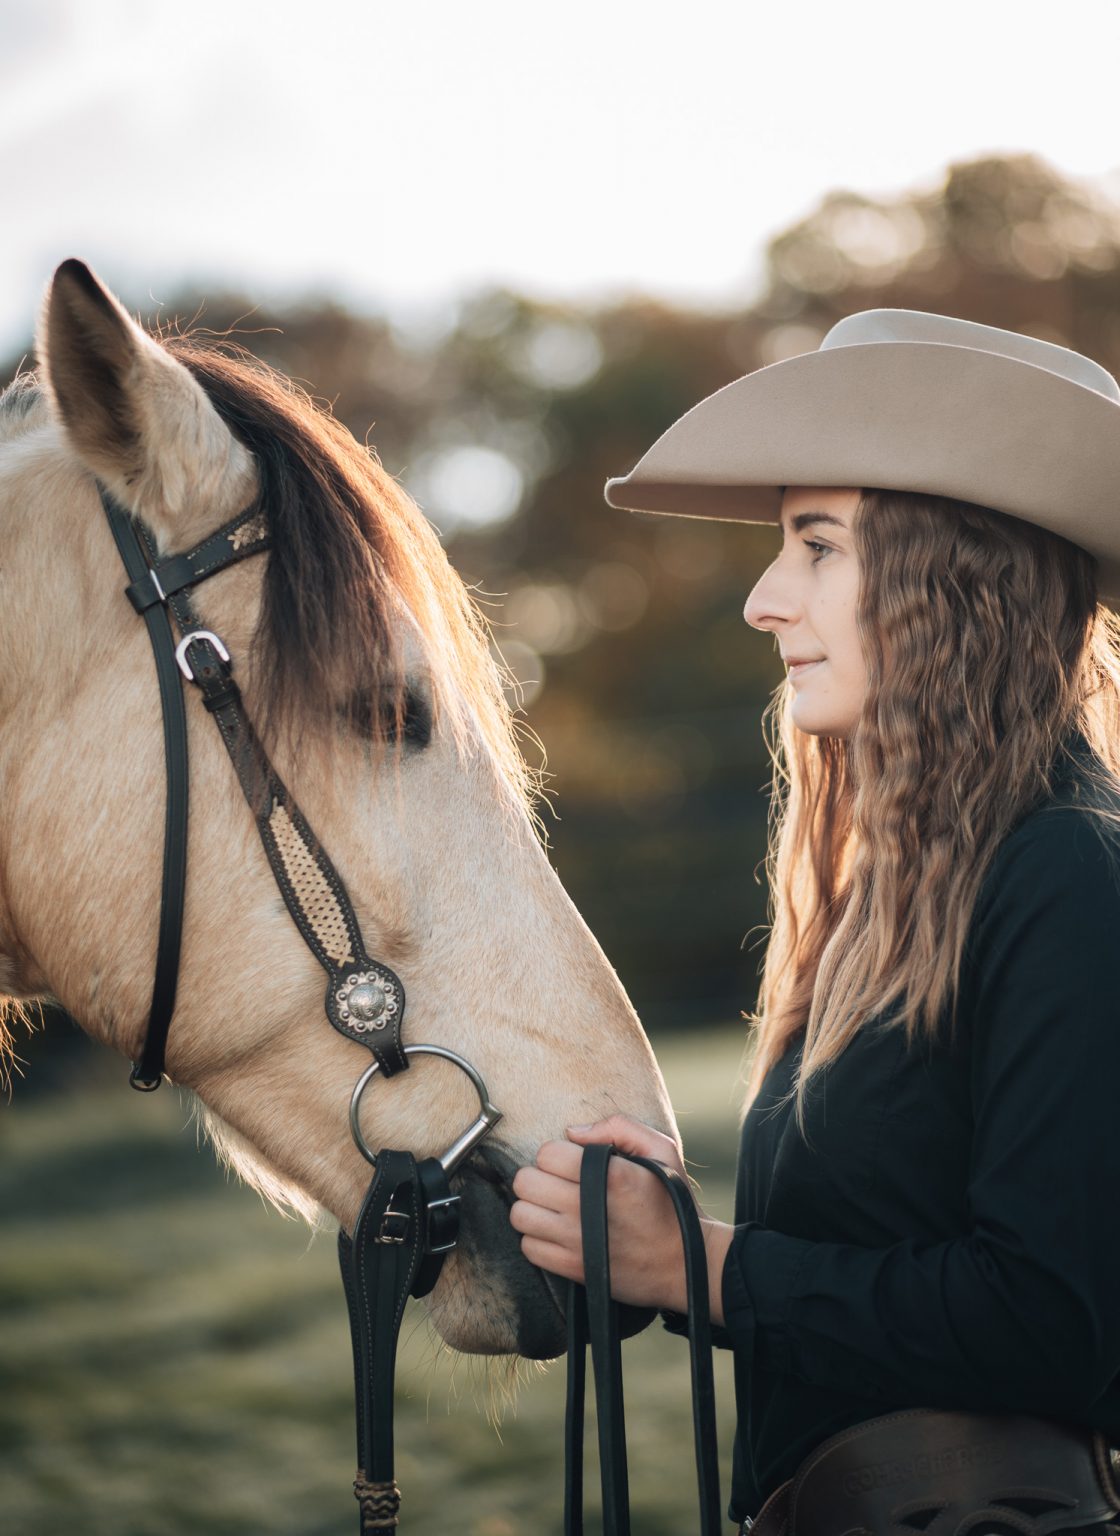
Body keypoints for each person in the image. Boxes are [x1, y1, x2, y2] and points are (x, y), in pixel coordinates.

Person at [509, 309, 1120, 1532]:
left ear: (959, 578)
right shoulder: (905, 891)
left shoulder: (1064, 870)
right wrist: (645, 1234)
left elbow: (1055, 1327)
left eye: (817, 545)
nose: (762, 599)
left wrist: (695, 1263)